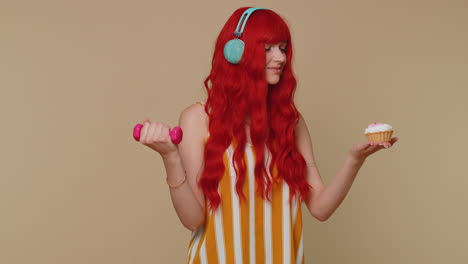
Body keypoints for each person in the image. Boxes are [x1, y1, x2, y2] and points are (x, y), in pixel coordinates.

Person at [137, 7, 398, 264]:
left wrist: (355, 160)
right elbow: (192, 220)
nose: (281, 58)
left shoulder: (291, 122)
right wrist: (170, 157)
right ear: (236, 53)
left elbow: (320, 208)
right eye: (268, 49)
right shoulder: (198, 119)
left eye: (283, 48)